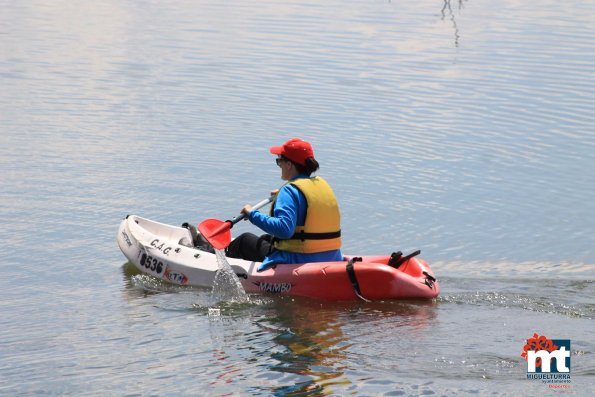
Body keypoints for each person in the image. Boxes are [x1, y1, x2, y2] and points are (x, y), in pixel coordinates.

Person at [225, 138, 343, 271]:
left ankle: (215, 258)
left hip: (299, 259)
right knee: (266, 239)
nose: (279, 164)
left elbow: (284, 230)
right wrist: (282, 194)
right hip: (331, 256)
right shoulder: (320, 185)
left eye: (279, 160)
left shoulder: (289, 191)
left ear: (289, 164)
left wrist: (253, 215)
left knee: (244, 240)